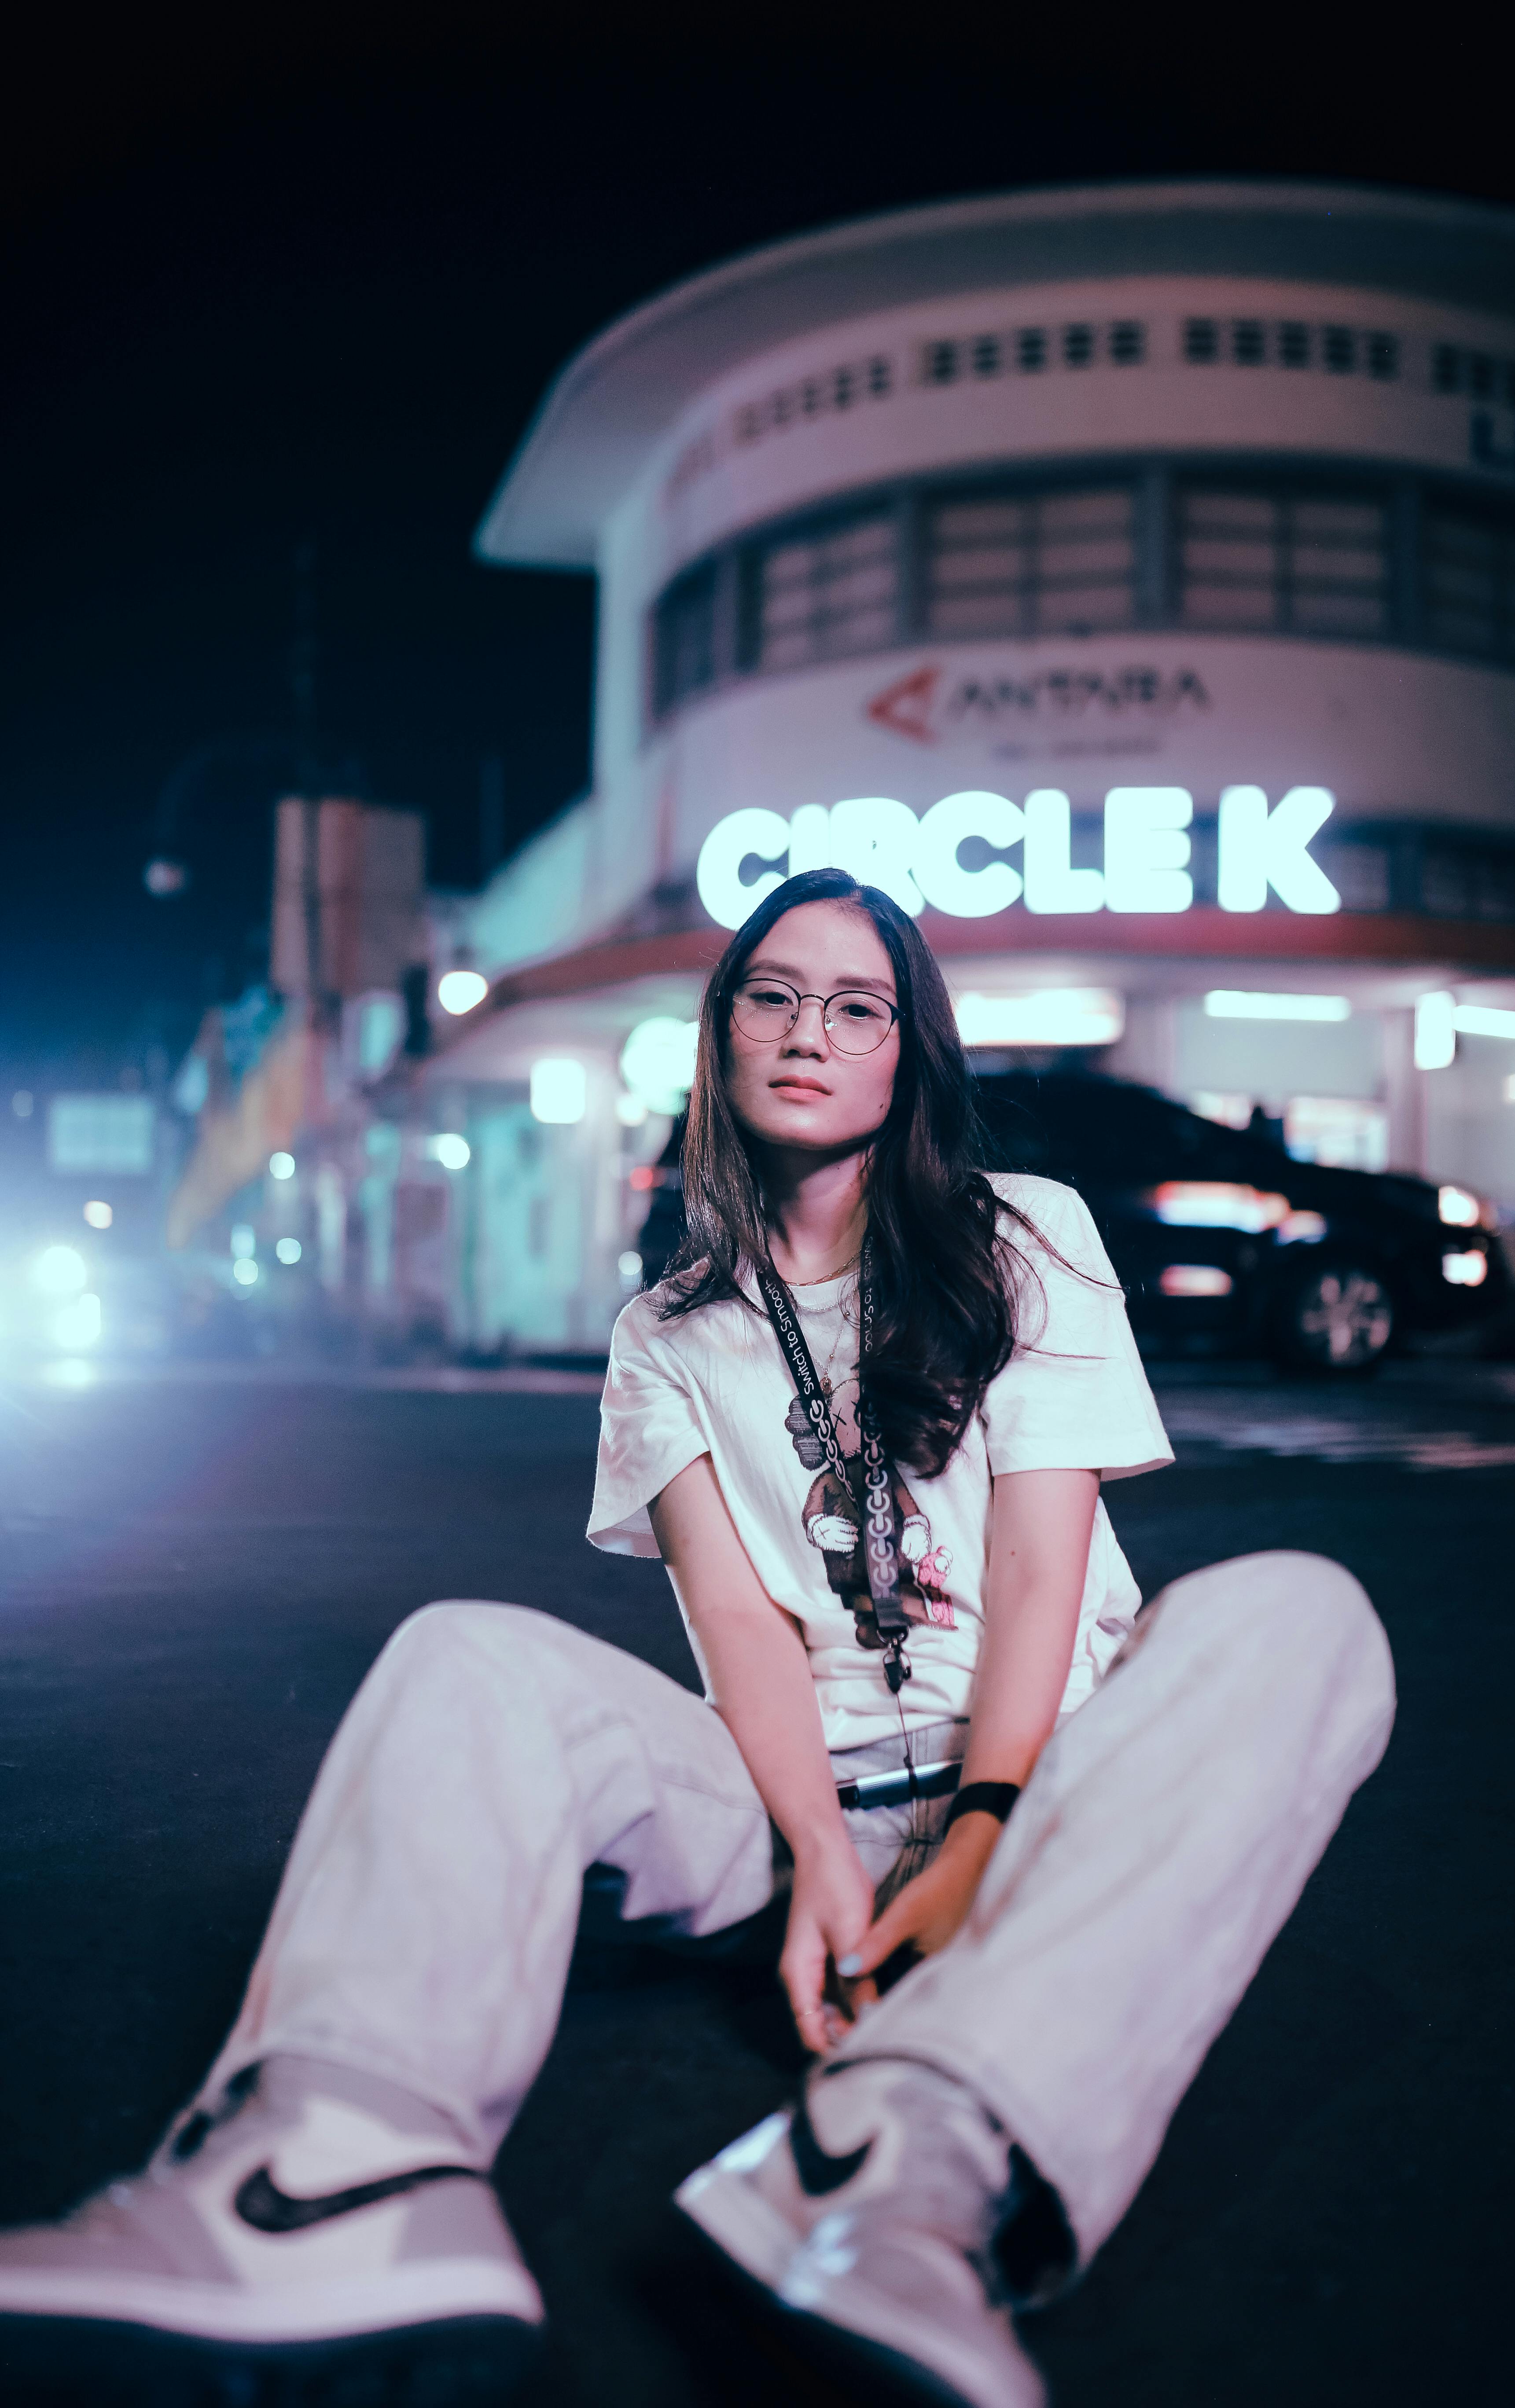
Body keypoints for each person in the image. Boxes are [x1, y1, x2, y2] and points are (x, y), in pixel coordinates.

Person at [0, 870, 1396, 2408]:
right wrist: (813, 1859)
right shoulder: (663, 1329)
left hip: (1052, 1792)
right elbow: (736, 1627)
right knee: (470, 1655)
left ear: (905, 1055)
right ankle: (332, 2181)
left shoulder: (1028, 1237)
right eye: (773, 996)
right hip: (797, 1803)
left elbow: (1039, 1566)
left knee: (1303, 1614)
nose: (810, 1032)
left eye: (858, 1006)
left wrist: (985, 1842)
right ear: (722, 1035)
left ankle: (900, 2169)